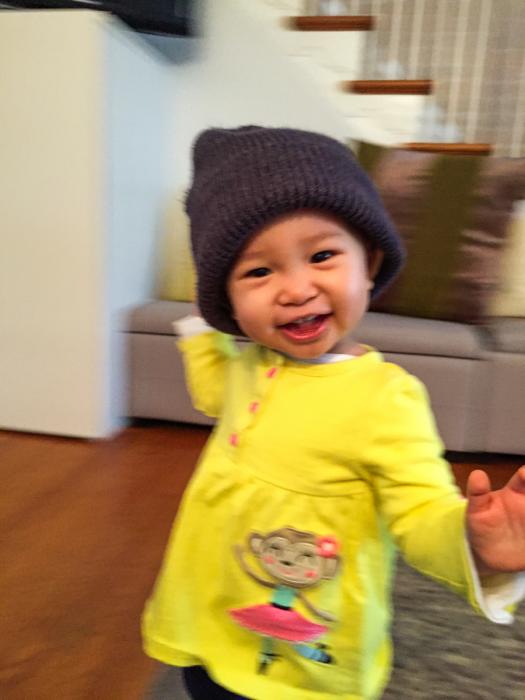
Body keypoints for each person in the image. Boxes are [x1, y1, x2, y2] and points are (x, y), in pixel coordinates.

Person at [142, 126, 525, 700]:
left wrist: (472, 543)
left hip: (306, 653)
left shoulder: (385, 398)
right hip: (209, 604)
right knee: (205, 683)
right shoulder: (251, 366)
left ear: (369, 262)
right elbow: (214, 392)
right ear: (228, 300)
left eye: (322, 255)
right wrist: (202, 328)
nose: (296, 289)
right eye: (258, 271)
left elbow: (419, 513)